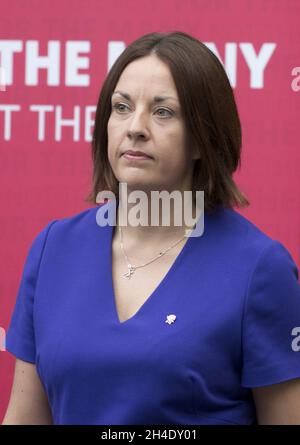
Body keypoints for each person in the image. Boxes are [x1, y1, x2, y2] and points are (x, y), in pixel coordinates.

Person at [3, 31, 300, 426]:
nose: (135, 127)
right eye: (122, 107)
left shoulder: (260, 269)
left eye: (163, 112)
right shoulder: (53, 249)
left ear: (202, 139)